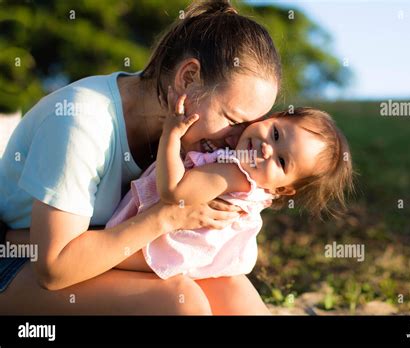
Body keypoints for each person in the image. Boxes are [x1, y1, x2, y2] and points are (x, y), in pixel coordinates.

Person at [0, 0, 282, 315]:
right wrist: (168, 216)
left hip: (102, 249)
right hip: (19, 258)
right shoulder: (81, 120)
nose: (236, 139)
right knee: (179, 301)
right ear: (187, 78)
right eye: (232, 119)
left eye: (248, 126)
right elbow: (53, 269)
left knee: (231, 290)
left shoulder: (194, 139)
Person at [106, 90, 354, 281]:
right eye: (276, 134)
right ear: (272, 118)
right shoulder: (247, 173)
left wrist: (171, 135)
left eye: (281, 161)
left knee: (107, 260)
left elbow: (173, 191)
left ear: (282, 190)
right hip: (184, 253)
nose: (266, 148)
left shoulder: (235, 173)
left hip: (156, 246)